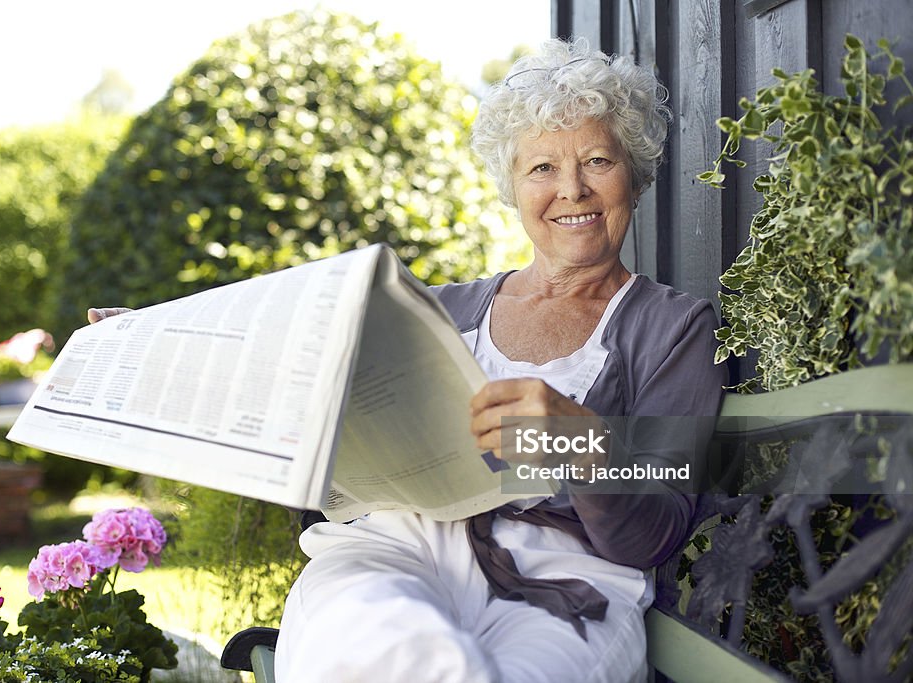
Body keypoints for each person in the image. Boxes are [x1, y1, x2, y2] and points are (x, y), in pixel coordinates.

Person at [90, 36, 726, 683]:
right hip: (391, 547)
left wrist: (587, 449)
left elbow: (654, 535)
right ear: (511, 184)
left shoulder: (675, 330)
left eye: (597, 160)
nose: (571, 190)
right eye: (541, 168)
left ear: (636, 174)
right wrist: (161, 346)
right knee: (382, 642)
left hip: (563, 579)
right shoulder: (439, 310)